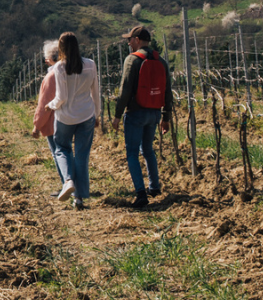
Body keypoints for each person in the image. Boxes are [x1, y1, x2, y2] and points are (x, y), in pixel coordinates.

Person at [111, 25, 173, 209]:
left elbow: (125, 90)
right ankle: (154, 187)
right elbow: (167, 90)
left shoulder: (132, 60)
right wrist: (166, 116)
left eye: (129, 39)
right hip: (154, 112)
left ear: (137, 40)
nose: (128, 42)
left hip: (136, 113)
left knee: (131, 152)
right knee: (148, 149)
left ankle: (140, 193)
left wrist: (117, 115)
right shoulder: (160, 61)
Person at [46, 32, 101, 210]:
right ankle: (79, 197)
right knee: (82, 155)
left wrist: (50, 106)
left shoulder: (60, 68)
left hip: (65, 117)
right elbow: (95, 93)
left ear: (61, 48)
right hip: (86, 115)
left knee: (62, 149)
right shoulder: (90, 65)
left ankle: (68, 180)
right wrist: (97, 115)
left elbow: (61, 97)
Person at [29, 40, 74, 199]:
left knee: (59, 153)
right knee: (68, 151)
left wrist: (37, 125)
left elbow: (44, 104)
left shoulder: (51, 76)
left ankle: (67, 184)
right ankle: (72, 184)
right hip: (72, 118)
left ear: (50, 58)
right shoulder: (71, 72)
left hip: (54, 122)